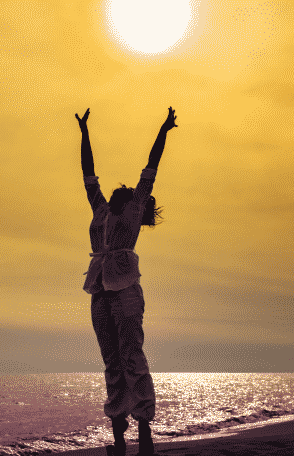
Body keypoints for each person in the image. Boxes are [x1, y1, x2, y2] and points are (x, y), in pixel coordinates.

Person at [75, 106, 177, 456]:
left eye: (128, 190)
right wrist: (84, 132)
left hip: (127, 289)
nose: (123, 190)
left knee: (132, 354)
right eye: (120, 190)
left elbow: (152, 167)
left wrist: (163, 130)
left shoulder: (133, 209)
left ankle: (144, 430)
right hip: (100, 289)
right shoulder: (101, 210)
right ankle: (118, 435)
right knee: (111, 360)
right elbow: (88, 173)